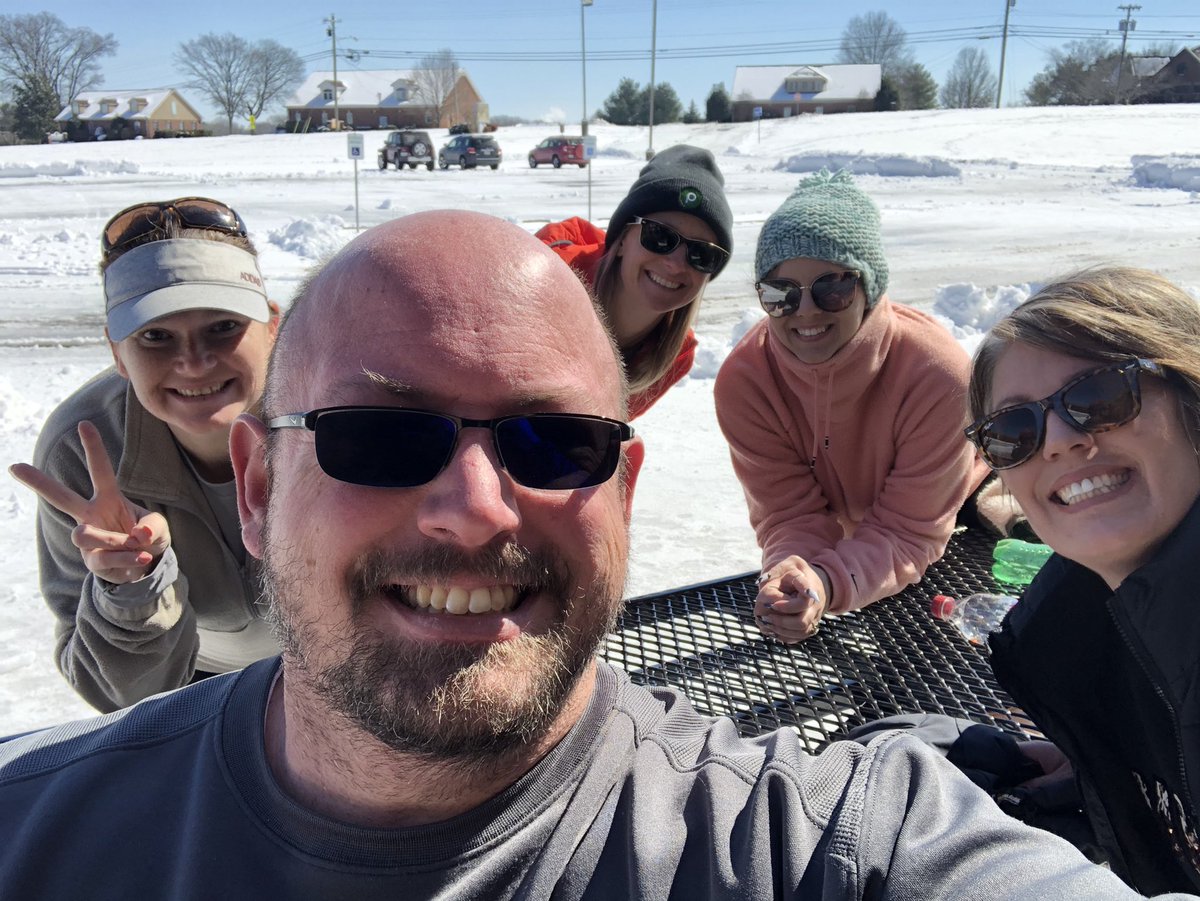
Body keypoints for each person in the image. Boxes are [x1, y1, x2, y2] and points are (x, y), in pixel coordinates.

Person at [0, 213, 1180, 901]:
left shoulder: (812, 842)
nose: (474, 508)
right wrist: (129, 582)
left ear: (622, 489)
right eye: (380, 436)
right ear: (258, 484)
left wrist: (825, 574)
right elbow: (789, 500)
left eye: (554, 443)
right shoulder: (39, 830)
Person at [966, 267, 1200, 894]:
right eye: (1013, 431)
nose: (1059, 442)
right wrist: (1104, 763)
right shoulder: (1087, 629)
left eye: (1100, 397)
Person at [8, 197, 280, 712]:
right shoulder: (82, 451)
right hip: (200, 689)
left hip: (341, 676)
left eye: (223, 326)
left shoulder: (343, 413)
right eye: (156, 336)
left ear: (272, 327)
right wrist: (132, 588)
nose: (194, 363)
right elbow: (123, 699)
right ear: (117, 353)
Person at [714, 170, 988, 644]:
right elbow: (789, 513)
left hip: (956, 518)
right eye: (780, 293)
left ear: (869, 288)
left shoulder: (939, 376)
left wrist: (829, 581)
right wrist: (795, 574)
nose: (805, 310)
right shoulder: (746, 383)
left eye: (832, 288)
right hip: (871, 532)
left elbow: (909, 531)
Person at [536, 144, 732, 418]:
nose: (676, 264)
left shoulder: (675, 355)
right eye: (660, 236)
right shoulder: (545, 281)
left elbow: (601, 430)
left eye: (702, 254)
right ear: (622, 241)